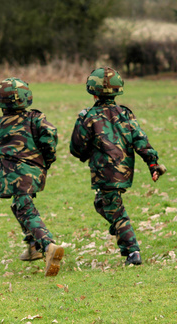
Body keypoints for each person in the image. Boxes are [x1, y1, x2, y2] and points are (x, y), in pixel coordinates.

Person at [69, 67, 166, 266]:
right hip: (125, 170)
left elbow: (77, 147)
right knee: (101, 204)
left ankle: (132, 252)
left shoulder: (88, 116)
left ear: (92, 91)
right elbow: (141, 140)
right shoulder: (125, 114)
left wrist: (86, 154)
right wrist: (152, 163)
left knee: (115, 211)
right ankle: (120, 230)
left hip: (104, 172)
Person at [0, 77, 64, 277]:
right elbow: (50, 137)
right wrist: (47, 159)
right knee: (20, 206)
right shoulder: (36, 119)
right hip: (36, 171)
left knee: (25, 209)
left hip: (13, 174)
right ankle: (33, 247)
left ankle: (48, 245)